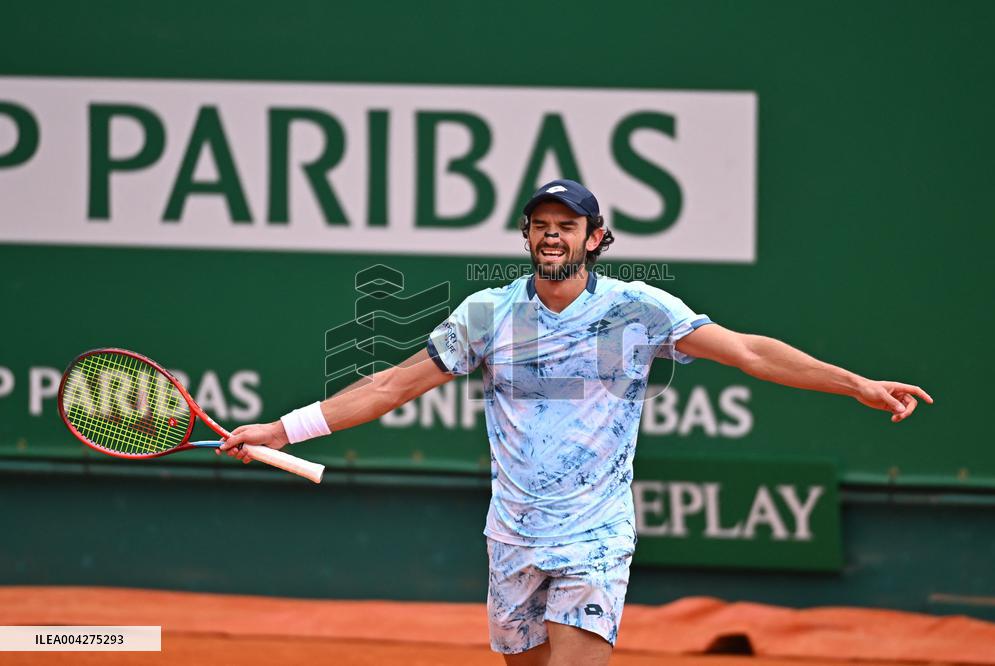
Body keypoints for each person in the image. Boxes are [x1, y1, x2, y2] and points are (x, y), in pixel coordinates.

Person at [219, 179, 932, 666]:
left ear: (597, 237)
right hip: (512, 533)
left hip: (594, 532)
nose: (552, 237)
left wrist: (856, 385)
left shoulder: (640, 310)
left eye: (567, 227)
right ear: (527, 236)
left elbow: (748, 351)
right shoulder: (486, 315)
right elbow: (390, 385)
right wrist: (279, 431)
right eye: (541, 227)